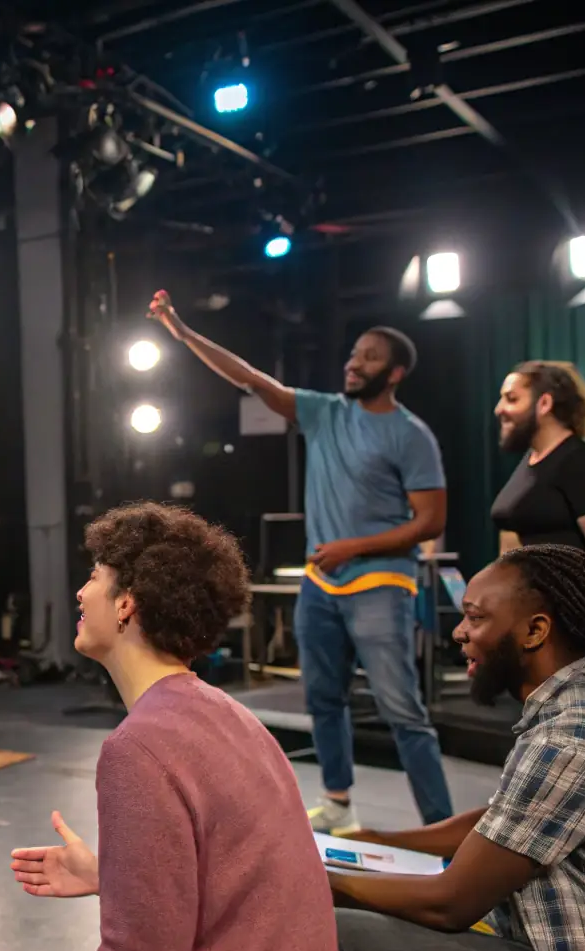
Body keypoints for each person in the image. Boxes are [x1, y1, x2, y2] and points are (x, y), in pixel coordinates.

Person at [10, 502, 342, 951]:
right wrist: (113, 876)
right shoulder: (230, 716)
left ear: (126, 605)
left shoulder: (138, 748)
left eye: (95, 577)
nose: (80, 592)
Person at [149, 289, 452, 834]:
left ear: (397, 372)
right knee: (324, 701)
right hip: (321, 586)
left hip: (381, 584)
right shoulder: (325, 412)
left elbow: (430, 521)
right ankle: (338, 804)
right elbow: (252, 379)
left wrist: (353, 547)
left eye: (371, 356)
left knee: (402, 711)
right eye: (355, 353)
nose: (355, 363)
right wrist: (184, 333)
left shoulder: (411, 434)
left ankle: (441, 829)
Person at [331, 544, 585, 951]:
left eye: (475, 619)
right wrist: (378, 842)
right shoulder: (582, 704)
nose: (459, 632)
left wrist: (317, 881)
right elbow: (504, 822)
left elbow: (450, 904)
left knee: (328, 939)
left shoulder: (574, 738)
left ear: (534, 631)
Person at [492, 359, 585, 593]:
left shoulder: (579, 462)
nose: (499, 409)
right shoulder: (530, 462)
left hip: (573, 617)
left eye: (512, 398)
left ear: (544, 403)